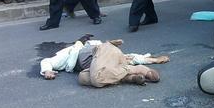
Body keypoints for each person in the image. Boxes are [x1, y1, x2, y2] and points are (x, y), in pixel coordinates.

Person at [40, 36, 168, 85]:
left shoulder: (94, 45)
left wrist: (153, 60)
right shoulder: (70, 52)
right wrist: (47, 71)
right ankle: (130, 78)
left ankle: (139, 70)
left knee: (98, 78)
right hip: (98, 66)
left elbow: (126, 56)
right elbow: (48, 61)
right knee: (83, 78)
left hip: (105, 52)